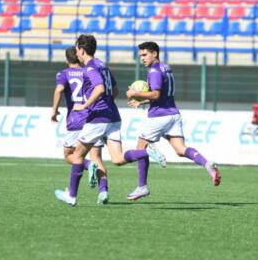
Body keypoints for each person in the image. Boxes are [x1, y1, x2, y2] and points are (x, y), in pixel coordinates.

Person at [54, 35, 161, 206]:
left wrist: (85, 106)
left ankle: (72, 196)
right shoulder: (102, 65)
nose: (77, 53)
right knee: (117, 159)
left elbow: (100, 88)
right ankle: (145, 153)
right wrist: (106, 102)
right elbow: (115, 90)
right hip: (113, 116)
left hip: (98, 117)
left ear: (81, 50)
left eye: (77, 50)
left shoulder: (90, 68)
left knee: (77, 155)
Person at [125, 41, 221, 201]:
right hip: (173, 115)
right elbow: (163, 95)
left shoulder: (154, 71)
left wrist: (134, 93)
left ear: (154, 53)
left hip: (158, 116)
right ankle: (206, 164)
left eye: (145, 54)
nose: (142, 58)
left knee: (141, 147)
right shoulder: (166, 68)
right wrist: (141, 102)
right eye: (140, 55)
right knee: (180, 149)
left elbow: (155, 95)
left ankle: (142, 187)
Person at [51, 46, 104, 198]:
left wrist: (54, 110)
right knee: (97, 156)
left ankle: (88, 165)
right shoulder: (89, 71)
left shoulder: (64, 74)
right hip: (93, 118)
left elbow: (59, 90)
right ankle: (103, 191)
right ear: (79, 55)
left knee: (69, 154)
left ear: (67, 59)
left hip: (75, 119)